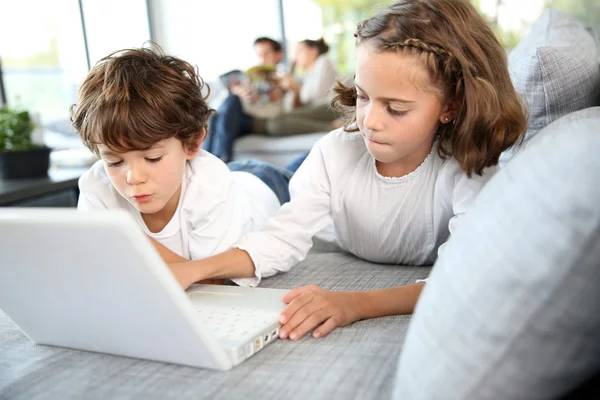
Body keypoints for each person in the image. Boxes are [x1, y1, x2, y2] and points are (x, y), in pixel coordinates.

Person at [168, 0, 527, 339]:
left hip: (300, 178)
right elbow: (283, 236)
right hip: (279, 181)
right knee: (232, 177)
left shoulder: (469, 171)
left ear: (450, 106)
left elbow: (463, 278)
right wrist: (197, 270)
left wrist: (355, 303)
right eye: (363, 96)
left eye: (396, 109)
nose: (370, 120)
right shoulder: (337, 150)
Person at [70, 46, 293, 284]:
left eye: (153, 158)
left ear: (193, 142)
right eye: (114, 161)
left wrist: (125, 236)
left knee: (305, 174)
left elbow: (209, 282)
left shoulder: (210, 188)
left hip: (262, 183)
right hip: (213, 171)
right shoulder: (96, 187)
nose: (133, 177)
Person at [205, 37, 340, 162]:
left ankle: (218, 159)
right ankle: (211, 159)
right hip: (239, 116)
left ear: (278, 55)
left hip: (257, 120)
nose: (262, 60)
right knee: (226, 107)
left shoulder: (288, 78)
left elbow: (287, 112)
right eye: (259, 55)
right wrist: (235, 92)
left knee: (228, 109)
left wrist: (286, 88)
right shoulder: (248, 78)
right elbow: (215, 107)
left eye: (266, 54)